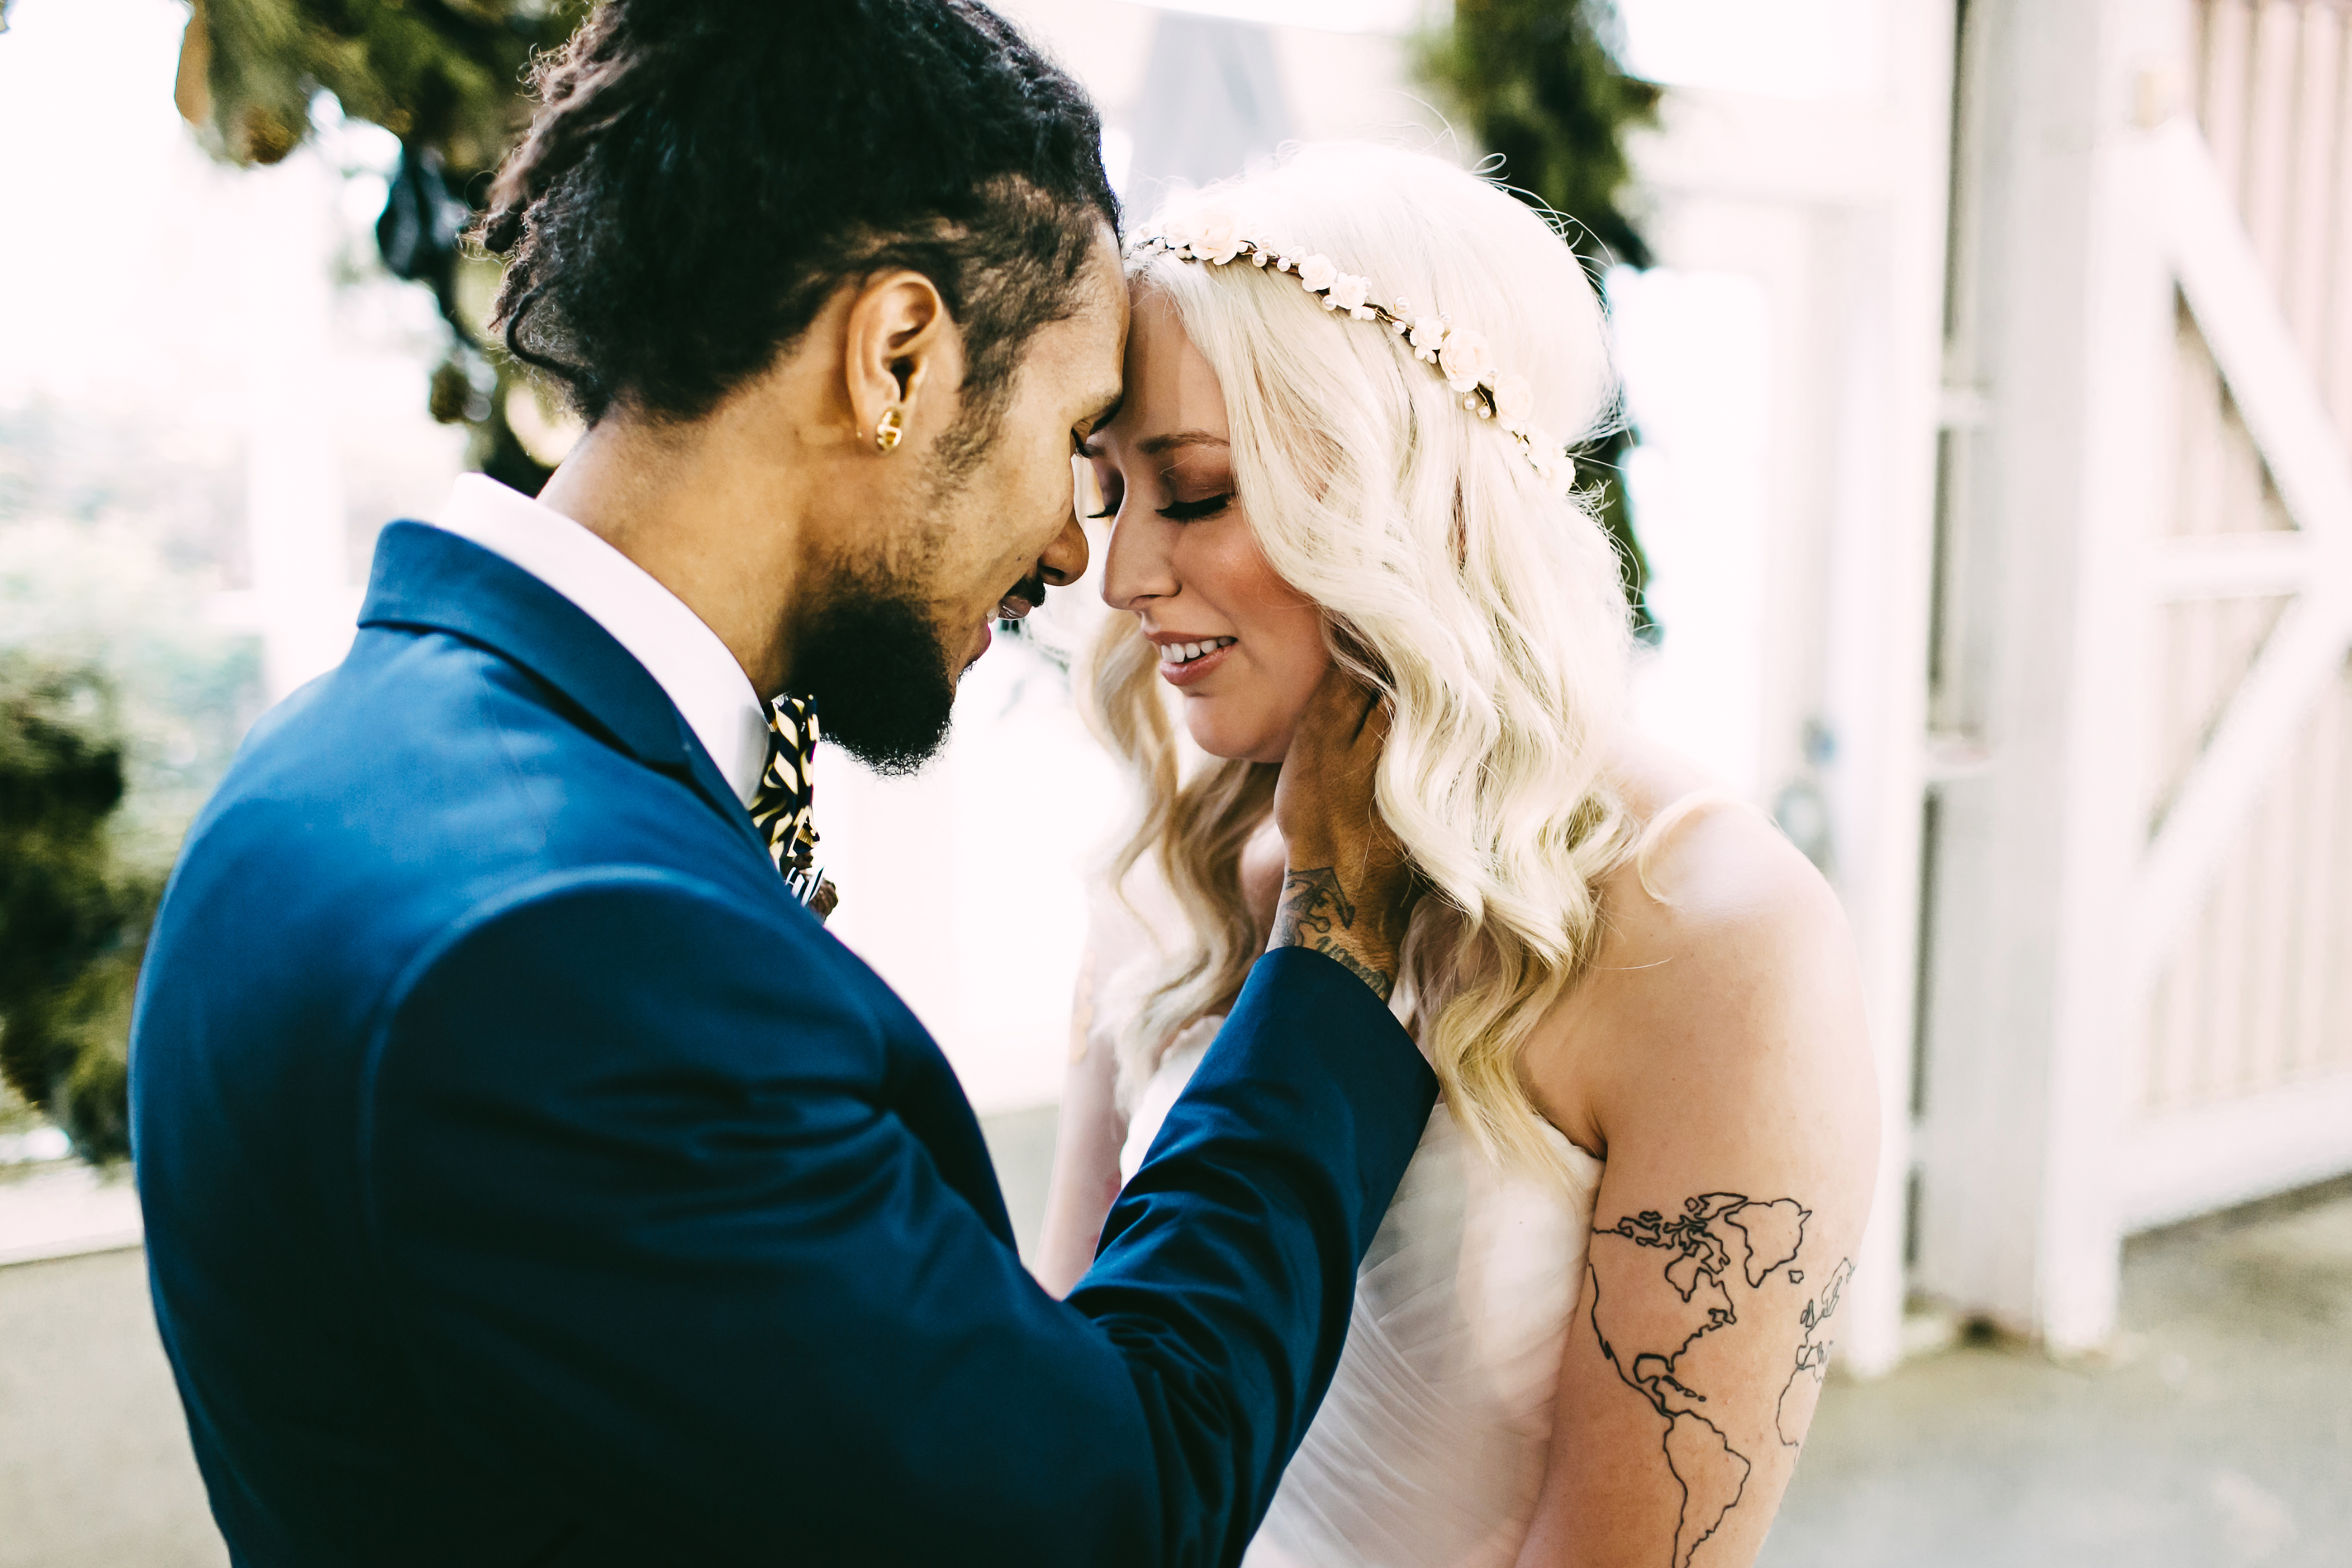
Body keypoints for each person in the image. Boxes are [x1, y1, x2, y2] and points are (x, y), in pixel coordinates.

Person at [127, 8, 1439, 1566]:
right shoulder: (577, 954)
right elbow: (1105, 1520)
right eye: (1075, 437)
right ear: (896, 356)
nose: (1076, 553)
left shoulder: (316, 772)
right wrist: (1337, 929)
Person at [1039, 144, 1882, 1568]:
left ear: (1400, 501)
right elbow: (1063, 1427)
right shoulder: (1166, 876)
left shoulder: (1716, 936)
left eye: (1188, 493)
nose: (1119, 577)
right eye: (1106, 488)